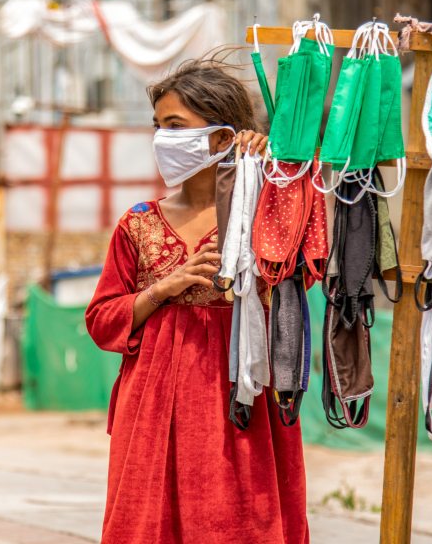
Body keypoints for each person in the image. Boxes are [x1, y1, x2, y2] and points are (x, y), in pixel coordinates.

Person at [85, 58, 309, 544]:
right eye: (158, 127)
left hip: (238, 401)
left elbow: (296, 281)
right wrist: (164, 288)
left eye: (176, 126)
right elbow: (102, 321)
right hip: (151, 409)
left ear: (223, 137)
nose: (163, 139)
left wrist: (272, 172)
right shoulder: (137, 222)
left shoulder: (262, 210)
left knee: (238, 521)